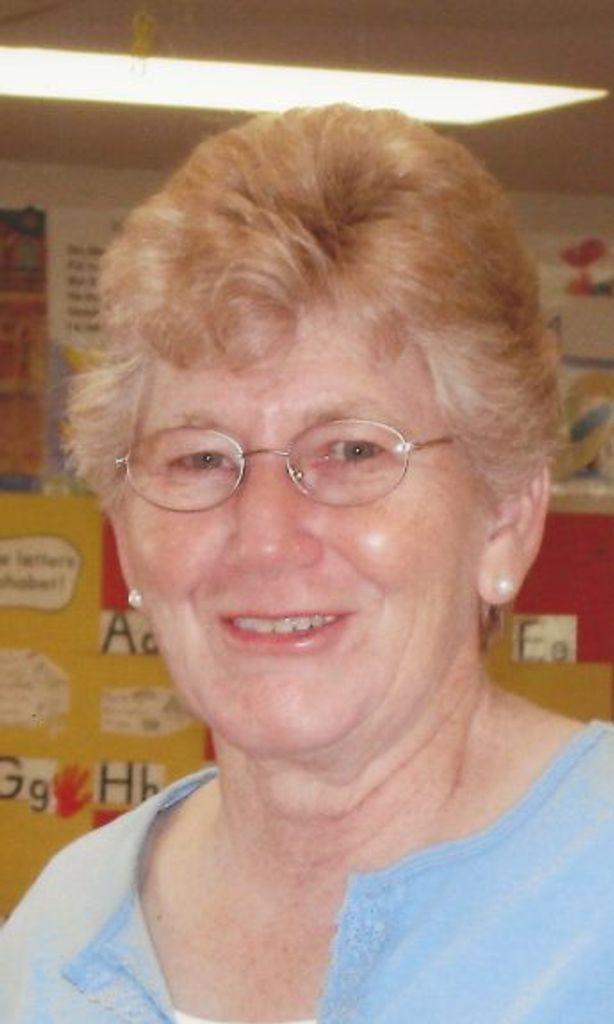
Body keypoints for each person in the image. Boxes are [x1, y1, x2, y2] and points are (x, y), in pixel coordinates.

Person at [2, 104, 614, 1024]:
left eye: (352, 452)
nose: (265, 536)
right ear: (126, 533)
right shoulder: (59, 941)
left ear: (505, 517)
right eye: (198, 458)